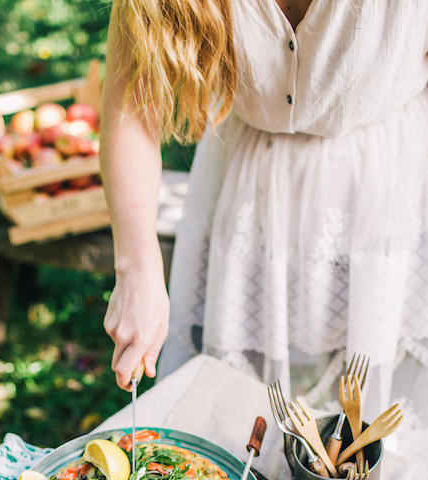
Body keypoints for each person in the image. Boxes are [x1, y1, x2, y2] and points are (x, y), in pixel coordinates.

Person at [100, 0, 428, 432]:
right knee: (231, 425)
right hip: (244, 190)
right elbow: (133, 102)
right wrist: (137, 270)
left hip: (390, 192)